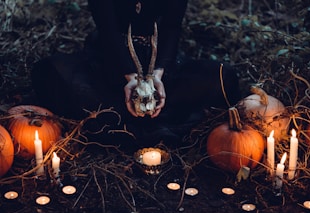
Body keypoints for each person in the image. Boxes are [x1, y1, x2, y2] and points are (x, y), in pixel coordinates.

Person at [31, 0, 241, 148]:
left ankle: (123, 119)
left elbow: (172, 26)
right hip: (110, 61)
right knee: (48, 72)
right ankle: (152, 122)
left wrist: (159, 74)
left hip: (161, 60)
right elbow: (107, 28)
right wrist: (129, 76)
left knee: (224, 78)